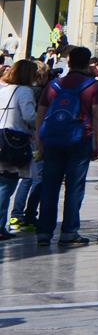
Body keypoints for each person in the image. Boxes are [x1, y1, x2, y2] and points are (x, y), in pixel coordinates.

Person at [28, 44, 98, 245]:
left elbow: (40, 115)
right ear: (87, 63)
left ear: (69, 62)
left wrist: (39, 142)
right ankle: (69, 231)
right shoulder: (93, 87)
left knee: (50, 186)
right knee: (74, 188)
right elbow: (97, 117)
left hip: (53, 140)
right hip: (80, 140)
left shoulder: (53, 86)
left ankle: (44, 232)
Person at [1, 57, 39, 235]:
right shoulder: (24, 91)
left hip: (1, 137)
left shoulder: (3, 89)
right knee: (7, 185)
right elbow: (30, 117)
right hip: (14, 141)